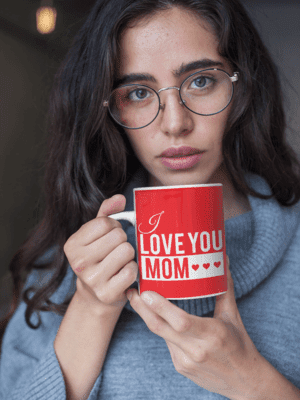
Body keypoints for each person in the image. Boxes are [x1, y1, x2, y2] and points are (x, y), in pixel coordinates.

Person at [1, 0, 300, 399]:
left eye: (201, 81)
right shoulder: (63, 265)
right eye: (138, 92)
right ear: (107, 110)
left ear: (241, 83)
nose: (175, 123)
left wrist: (255, 384)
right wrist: (91, 310)